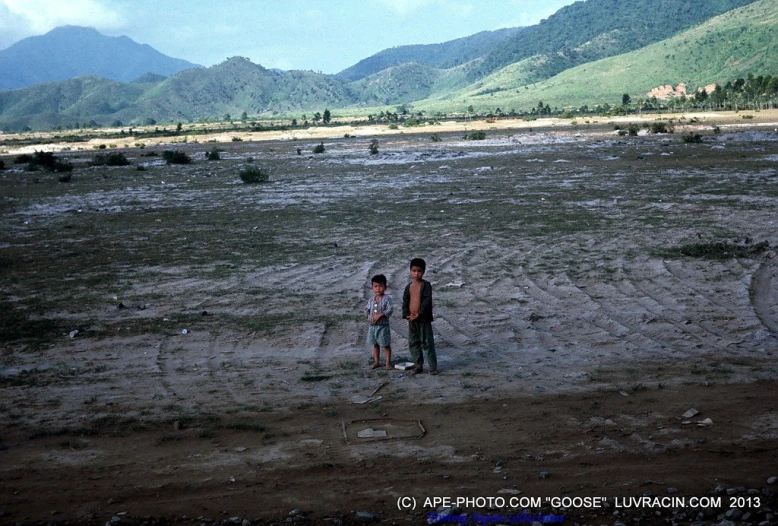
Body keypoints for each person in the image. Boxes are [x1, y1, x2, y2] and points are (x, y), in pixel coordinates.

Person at [402, 258, 437, 375]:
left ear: (424, 272)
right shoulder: (408, 287)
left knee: (427, 343)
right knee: (413, 343)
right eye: (414, 270)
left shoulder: (426, 285)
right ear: (410, 271)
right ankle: (418, 366)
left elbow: (427, 301)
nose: (416, 273)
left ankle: (433, 367)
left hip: (423, 319)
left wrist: (419, 313)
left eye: (419, 271)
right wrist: (406, 314)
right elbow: (405, 301)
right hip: (412, 320)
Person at [365, 274, 393, 370]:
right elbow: (367, 310)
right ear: (372, 287)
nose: (378, 289)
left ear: (385, 287)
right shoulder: (371, 300)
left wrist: (381, 315)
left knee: (386, 345)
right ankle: (376, 362)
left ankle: (388, 363)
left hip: (383, 326)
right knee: (375, 345)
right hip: (372, 326)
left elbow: (390, 310)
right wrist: (369, 316)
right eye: (375, 286)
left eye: (381, 286)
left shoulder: (387, 299)